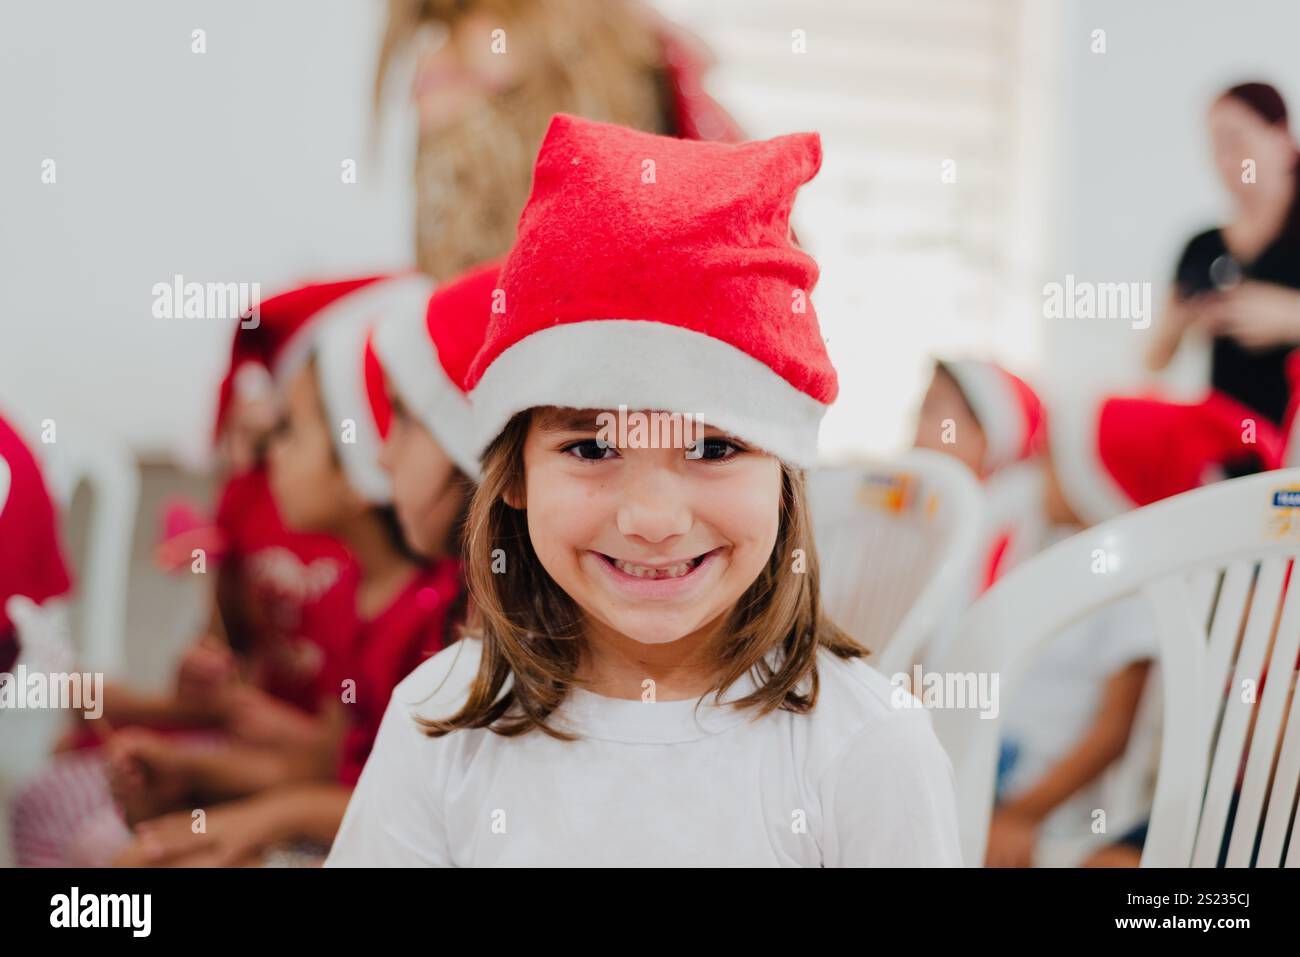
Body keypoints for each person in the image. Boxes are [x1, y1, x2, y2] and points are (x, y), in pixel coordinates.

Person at [326, 114, 963, 867]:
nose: (652, 518)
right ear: (515, 476)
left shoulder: (868, 748)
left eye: (715, 446)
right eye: (593, 447)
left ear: (786, 476)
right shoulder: (437, 725)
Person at [110, 263, 495, 867]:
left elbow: (409, 808)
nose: (386, 455)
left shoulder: (439, 618)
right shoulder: (357, 594)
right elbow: (333, 763)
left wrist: (250, 821)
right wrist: (190, 775)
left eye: (290, 432)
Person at [986, 389, 1283, 867]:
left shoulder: (1147, 594)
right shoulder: (1051, 554)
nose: (1039, 476)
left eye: (1054, 461)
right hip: (1003, 769)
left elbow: (1114, 729)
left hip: (1055, 802)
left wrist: (1019, 816)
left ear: (1096, 479)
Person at [1148, 82, 1300, 433]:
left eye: (1237, 140)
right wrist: (1179, 320)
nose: (1226, 160)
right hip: (1227, 449)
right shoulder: (1202, 246)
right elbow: (1154, 359)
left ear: (1281, 139)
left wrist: (1288, 316)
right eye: (1216, 146)